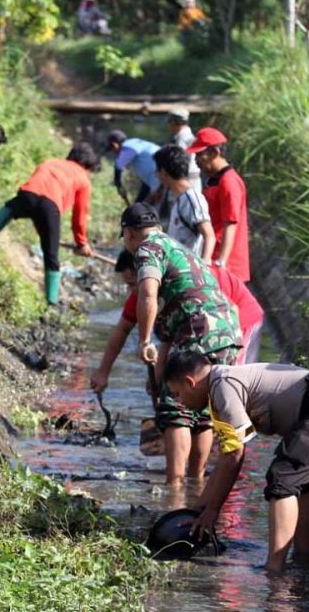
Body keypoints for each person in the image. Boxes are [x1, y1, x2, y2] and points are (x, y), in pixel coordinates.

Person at [163, 351, 309, 573]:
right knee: (301, 484)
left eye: (177, 394)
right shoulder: (220, 385)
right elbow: (225, 457)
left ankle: (274, 570)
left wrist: (213, 511)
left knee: (282, 481)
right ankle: (302, 563)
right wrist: (199, 510)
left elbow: (235, 456)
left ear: (190, 382)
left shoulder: (223, 386)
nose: (179, 402)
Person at [121, 202, 242, 487]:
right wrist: (160, 374)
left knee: (176, 407)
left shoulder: (147, 249)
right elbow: (169, 335)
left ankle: (174, 487)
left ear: (128, 233)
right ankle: (196, 484)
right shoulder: (179, 249)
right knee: (202, 409)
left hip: (200, 331)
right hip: (228, 332)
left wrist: (143, 339)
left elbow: (148, 294)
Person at [90, 249, 264, 394]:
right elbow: (124, 330)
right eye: (128, 285)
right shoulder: (142, 294)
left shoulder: (188, 280)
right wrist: (103, 373)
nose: (131, 292)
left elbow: (230, 313)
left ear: (145, 275)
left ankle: (241, 427)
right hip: (202, 327)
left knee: (232, 383)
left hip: (240, 318)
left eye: (132, 284)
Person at [0, 142, 98, 305]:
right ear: (86, 165)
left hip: (27, 194)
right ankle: (51, 302)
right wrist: (82, 243)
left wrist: (45, 232)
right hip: (50, 206)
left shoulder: (50, 162)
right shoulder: (83, 179)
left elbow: (37, 198)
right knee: (51, 255)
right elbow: (79, 216)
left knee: (9, 208)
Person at [188, 127, 251, 282]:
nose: (196, 161)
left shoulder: (228, 182)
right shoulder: (215, 180)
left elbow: (230, 224)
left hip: (228, 265)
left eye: (199, 155)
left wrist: (221, 262)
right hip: (214, 257)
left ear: (214, 153)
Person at [154, 144, 214, 263]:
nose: (157, 175)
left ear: (164, 172)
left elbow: (209, 235)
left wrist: (204, 268)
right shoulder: (179, 199)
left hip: (191, 275)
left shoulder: (192, 198)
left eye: (157, 171)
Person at [107, 130, 161, 205]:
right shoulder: (136, 144)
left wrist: (119, 186)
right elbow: (147, 183)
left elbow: (118, 165)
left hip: (163, 183)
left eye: (111, 149)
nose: (114, 152)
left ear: (115, 145)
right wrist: (137, 203)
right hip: (163, 181)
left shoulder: (128, 146)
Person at [166, 108, 201, 194]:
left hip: (185, 184)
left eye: (169, 122)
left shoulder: (181, 139)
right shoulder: (189, 136)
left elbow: (179, 165)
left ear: (173, 122)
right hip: (193, 182)